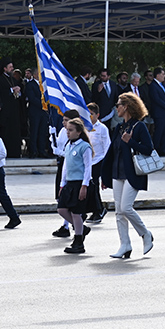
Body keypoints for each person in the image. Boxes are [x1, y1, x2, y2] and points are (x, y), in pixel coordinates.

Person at [101, 92, 155, 259]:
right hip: (117, 173)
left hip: (133, 173)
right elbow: (112, 153)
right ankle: (125, 245)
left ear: (126, 107)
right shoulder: (119, 127)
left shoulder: (139, 127)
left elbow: (148, 149)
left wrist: (130, 142)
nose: (116, 107)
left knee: (125, 207)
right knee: (118, 211)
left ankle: (145, 233)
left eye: (118, 104)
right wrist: (105, 176)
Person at [59, 118, 94, 254]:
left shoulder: (84, 146)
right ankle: (81, 228)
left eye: (71, 130)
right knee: (61, 209)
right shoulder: (68, 145)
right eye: (67, 130)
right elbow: (65, 167)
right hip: (70, 182)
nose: (68, 132)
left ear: (79, 132)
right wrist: (62, 184)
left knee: (76, 212)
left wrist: (84, 185)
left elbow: (87, 167)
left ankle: (78, 241)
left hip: (80, 183)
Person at [52, 110, 82, 237]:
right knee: (61, 198)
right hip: (63, 165)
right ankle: (68, 225)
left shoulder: (78, 138)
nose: (63, 123)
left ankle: (73, 226)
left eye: (66, 120)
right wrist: (52, 137)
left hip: (71, 165)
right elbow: (59, 144)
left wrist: (59, 152)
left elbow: (69, 151)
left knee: (69, 202)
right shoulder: (62, 131)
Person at [86, 103, 111, 223]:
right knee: (89, 186)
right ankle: (96, 209)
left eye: (91, 114)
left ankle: (99, 210)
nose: (89, 117)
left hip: (99, 160)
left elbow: (107, 146)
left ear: (97, 115)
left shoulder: (102, 128)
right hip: (88, 161)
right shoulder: (84, 127)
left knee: (94, 186)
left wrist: (107, 164)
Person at [0, 59, 22, 158]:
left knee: (15, 131)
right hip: (5, 111)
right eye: (10, 67)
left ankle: (15, 152)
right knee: (6, 132)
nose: (12, 69)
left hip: (14, 110)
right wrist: (11, 90)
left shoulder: (13, 80)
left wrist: (18, 91)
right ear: (5, 68)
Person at [24, 67, 49, 158]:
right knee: (34, 131)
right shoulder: (30, 85)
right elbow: (32, 98)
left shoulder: (44, 85)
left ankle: (42, 150)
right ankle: (33, 151)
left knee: (42, 131)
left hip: (43, 112)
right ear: (35, 75)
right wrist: (42, 104)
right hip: (35, 111)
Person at [149, 67, 165, 155]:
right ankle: (156, 149)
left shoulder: (163, 85)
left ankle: (163, 148)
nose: (164, 76)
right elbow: (156, 99)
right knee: (159, 131)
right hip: (159, 112)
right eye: (163, 74)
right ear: (158, 75)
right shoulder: (153, 85)